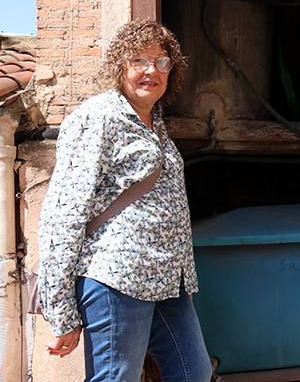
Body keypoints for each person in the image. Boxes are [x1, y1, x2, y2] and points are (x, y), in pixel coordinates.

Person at [38, 19, 212, 382]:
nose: (152, 70)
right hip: (116, 277)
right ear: (121, 65)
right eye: (139, 60)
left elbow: (173, 210)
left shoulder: (157, 124)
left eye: (162, 61)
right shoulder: (96, 118)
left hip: (167, 283)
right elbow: (63, 216)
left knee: (192, 372)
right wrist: (61, 311)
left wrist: (186, 281)